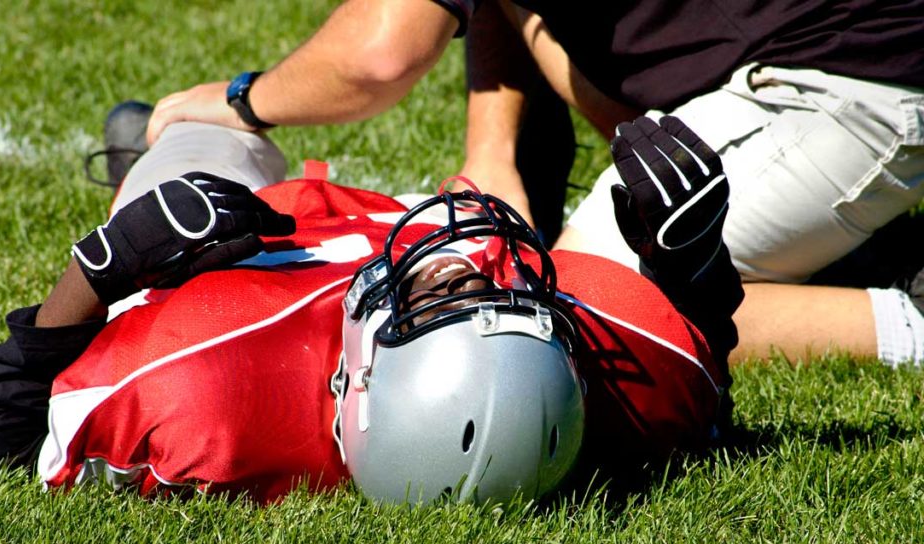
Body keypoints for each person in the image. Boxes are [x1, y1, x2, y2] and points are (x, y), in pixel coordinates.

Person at [0, 114, 741, 504]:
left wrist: (106, 261)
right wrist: (697, 261)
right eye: (493, 294)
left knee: (207, 142)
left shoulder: (200, 384)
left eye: (440, 298)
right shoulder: (573, 368)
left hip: (250, 235)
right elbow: (698, 383)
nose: (472, 271)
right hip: (394, 218)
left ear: (359, 388)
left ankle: (159, 134)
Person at [138, 0, 924, 368]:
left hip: (845, 79)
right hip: (817, 65)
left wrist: (243, 98)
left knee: (592, 300)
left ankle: (907, 318)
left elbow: (377, 53)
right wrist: (493, 154)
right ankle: (862, 252)